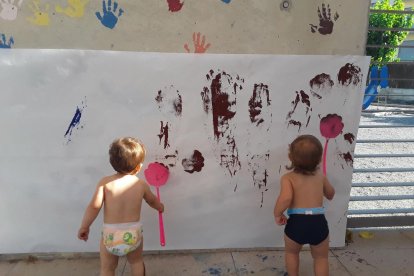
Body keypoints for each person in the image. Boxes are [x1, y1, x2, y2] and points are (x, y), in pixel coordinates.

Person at [77, 137, 164, 276]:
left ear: (112, 162)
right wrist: (160, 207)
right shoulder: (141, 185)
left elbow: (94, 207)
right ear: (138, 167)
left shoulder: (105, 183)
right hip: (133, 233)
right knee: (136, 262)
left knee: (107, 268)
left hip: (111, 235)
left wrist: (85, 226)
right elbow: (152, 201)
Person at [274, 134, 335, 276]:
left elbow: (286, 198)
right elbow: (331, 194)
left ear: (291, 158)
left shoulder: (288, 178)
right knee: (321, 258)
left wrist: (277, 214)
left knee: (291, 253)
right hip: (318, 223)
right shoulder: (320, 176)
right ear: (319, 158)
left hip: (297, 224)